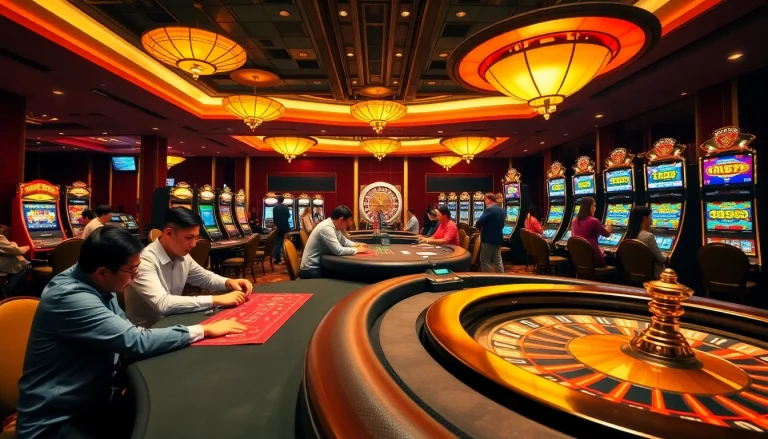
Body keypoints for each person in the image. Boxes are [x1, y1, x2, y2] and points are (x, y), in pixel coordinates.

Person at [15, 226, 246, 439]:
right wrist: (202, 330)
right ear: (103, 272)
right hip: (57, 422)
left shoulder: (99, 282)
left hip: (97, 400)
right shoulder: (70, 297)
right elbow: (133, 340)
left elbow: (128, 331)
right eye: (132, 271)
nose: (135, 277)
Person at [125, 207, 253, 328]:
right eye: (189, 238)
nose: (193, 244)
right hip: (147, 334)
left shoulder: (181, 254)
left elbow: (205, 278)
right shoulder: (144, 261)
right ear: (169, 233)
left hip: (174, 323)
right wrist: (217, 299)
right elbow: (163, 304)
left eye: (196, 238)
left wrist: (229, 282)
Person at [299, 205, 367, 279]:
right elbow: (338, 251)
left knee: (345, 272)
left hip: (319, 265)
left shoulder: (334, 225)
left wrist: (356, 244)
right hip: (311, 270)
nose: (347, 225)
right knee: (347, 276)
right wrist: (357, 250)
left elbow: (343, 241)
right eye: (347, 222)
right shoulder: (326, 228)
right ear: (341, 219)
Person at [625, 205, 667, 278]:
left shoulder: (627, 235)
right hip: (652, 276)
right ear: (644, 218)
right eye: (650, 216)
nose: (652, 220)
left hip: (633, 275)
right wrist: (665, 255)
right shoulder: (648, 236)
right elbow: (662, 259)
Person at [571, 197, 611, 267]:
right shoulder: (593, 221)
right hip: (594, 260)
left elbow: (572, 237)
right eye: (594, 205)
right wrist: (609, 227)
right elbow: (607, 234)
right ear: (590, 207)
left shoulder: (574, 221)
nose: (595, 208)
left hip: (580, 260)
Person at [474, 193, 506, 272]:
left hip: (488, 238)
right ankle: (502, 278)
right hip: (498, 238)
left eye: (485, 199)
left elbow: (478, 223)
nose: (485, 201)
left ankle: (486, 279)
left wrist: (479, 228)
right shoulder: (501, 210)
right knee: (497, 260)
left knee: (485, 260)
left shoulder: (490, 209)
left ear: (489, 200)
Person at [272, 195, 291, 264]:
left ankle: (278, 260)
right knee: (286, 243)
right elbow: (288, 216)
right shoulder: (286, 207)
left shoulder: (275, 208)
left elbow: (274, 218)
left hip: (278, 227)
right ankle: (287, 258)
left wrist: (275, 225)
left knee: (277, 243)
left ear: (277, 200)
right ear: (283, 200)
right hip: (286, 227)